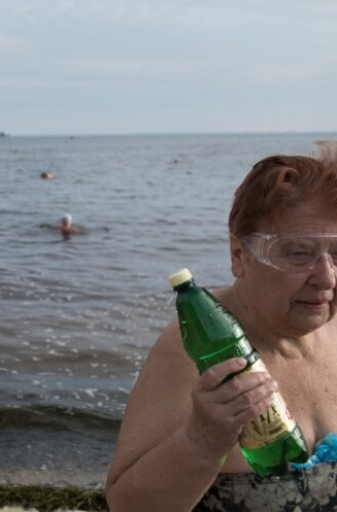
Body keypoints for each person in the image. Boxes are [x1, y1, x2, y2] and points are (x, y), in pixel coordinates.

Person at [106, 144, 337, 510]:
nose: (326, 278)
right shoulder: (197, 348)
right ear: (239, 256)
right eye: (298, 253)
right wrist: (200, 441)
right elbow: (127, 504)